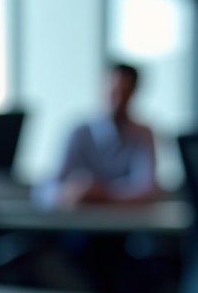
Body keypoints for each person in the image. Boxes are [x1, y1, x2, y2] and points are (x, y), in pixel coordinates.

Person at [38, 63, 159, 209]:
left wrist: (102, 194)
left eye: (124, 93)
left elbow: (147, 190)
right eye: (113, 93)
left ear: (134, 93)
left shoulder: (143, 135)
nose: (118, 100)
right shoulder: (79, 134)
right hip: (80, 224)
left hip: (126, 225)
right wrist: (68, 193)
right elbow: (45, 190)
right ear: (102, 90)